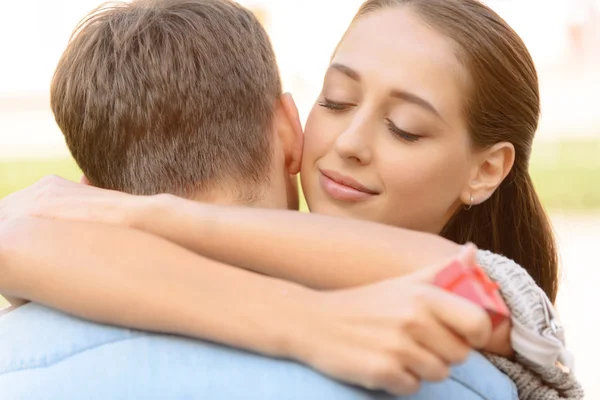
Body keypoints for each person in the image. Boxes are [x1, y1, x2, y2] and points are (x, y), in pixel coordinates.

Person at [0, 0, 582, 398]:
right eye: (334, 100)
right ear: (290, 129)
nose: (350, 144)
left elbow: (477, 284)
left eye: (404, 127)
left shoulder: (497, 308)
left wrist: (135, 213)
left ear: (485, 170)